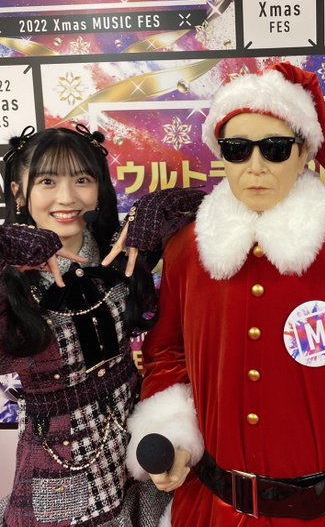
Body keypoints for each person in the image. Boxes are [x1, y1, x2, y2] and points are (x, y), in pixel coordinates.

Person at [126, 62, 325, 527]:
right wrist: (171, 430)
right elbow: (167, 353)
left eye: (276, 148)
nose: (255, 167)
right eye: (237, 150)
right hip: (214, 510)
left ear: (303, 154)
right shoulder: (187, 251)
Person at [0, 124, 188, 527]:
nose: (67, 197)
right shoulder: (11, 283)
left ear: (99, 188)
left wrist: (151, 210)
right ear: (18, 192)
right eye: (47, 181)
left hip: (137, 451)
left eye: (82, 180)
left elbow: (203, 204)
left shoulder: (120, 255)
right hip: (59, 465)